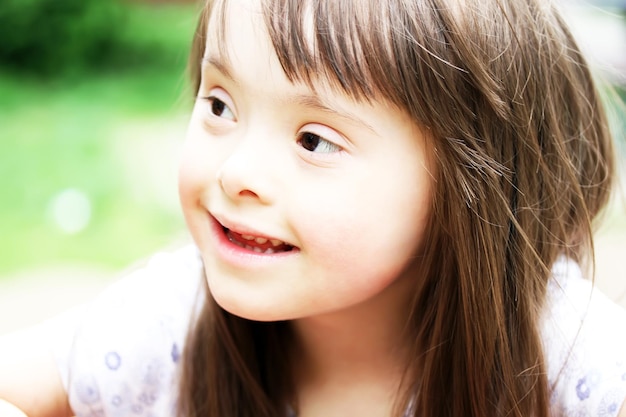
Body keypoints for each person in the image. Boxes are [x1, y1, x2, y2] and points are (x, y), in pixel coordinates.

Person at [1, 0, 626, 416]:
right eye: (220, 104)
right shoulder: (172, 323)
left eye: (313, 141)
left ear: (470, 186)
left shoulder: (567, 359)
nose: (236, 172)